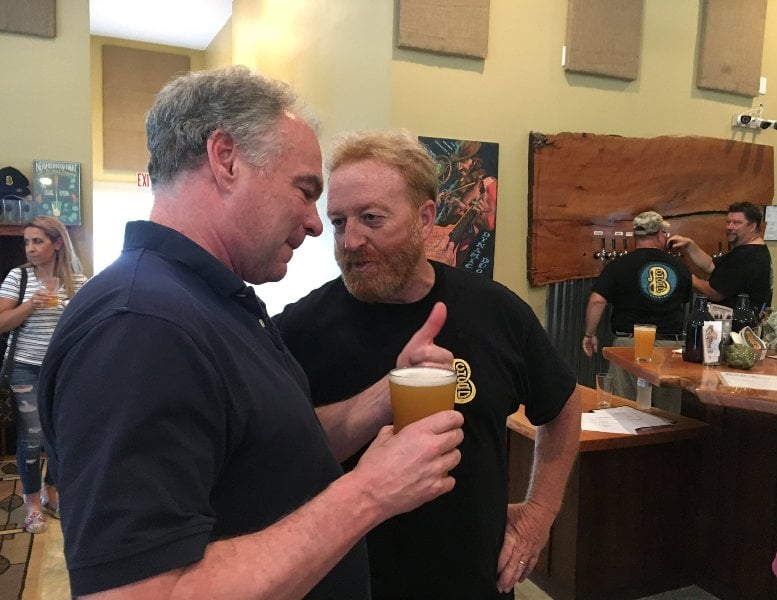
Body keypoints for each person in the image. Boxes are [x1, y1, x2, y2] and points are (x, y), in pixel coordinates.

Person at [38, 66, 464, 599]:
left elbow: (273, 456)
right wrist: (369, 493)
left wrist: (387, 395)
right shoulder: (140, 327)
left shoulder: (209, 302)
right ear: (226, 159)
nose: (315, 223)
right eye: (305, 191)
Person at [273, 129, 581, 598]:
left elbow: (563, 407)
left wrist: (539, 513)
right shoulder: (301, 329)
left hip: (472, 584)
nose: (350, 240)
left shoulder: (494, 311)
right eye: (338, 221)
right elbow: (279, 458)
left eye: (371, 218)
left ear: (425, 217)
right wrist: (387, 393)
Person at [0, 215, 86, 533]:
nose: (30, 248)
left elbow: (88, 325)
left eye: (38, 241)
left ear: (58, 243)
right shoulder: (17, 278)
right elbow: (2, 323)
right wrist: (29, 306)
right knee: (33, 436)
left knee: (60, 436)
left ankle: (54, 493)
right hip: (25, 366)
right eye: (27, 241)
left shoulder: (77, 281)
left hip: (64, 369)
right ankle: (32, 501)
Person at [582, 211, 692, 410]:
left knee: (625, 409)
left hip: (629, 345)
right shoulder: (679, 266)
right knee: (669, 415)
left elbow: (597, 302)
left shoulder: (618, 266)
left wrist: (590, 334)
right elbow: (685, 300)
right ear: (660, 235)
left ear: (635, 236)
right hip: (669, 347)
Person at [669, 201, 773, 311]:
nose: (730, 227)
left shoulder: (747, 255)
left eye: (737, 223)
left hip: (737, 325)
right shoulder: (753, 248)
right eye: (728, 222)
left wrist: (684, 274)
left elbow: (714, 293)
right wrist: (690, 245)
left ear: (752, 226)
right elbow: (711, 265)